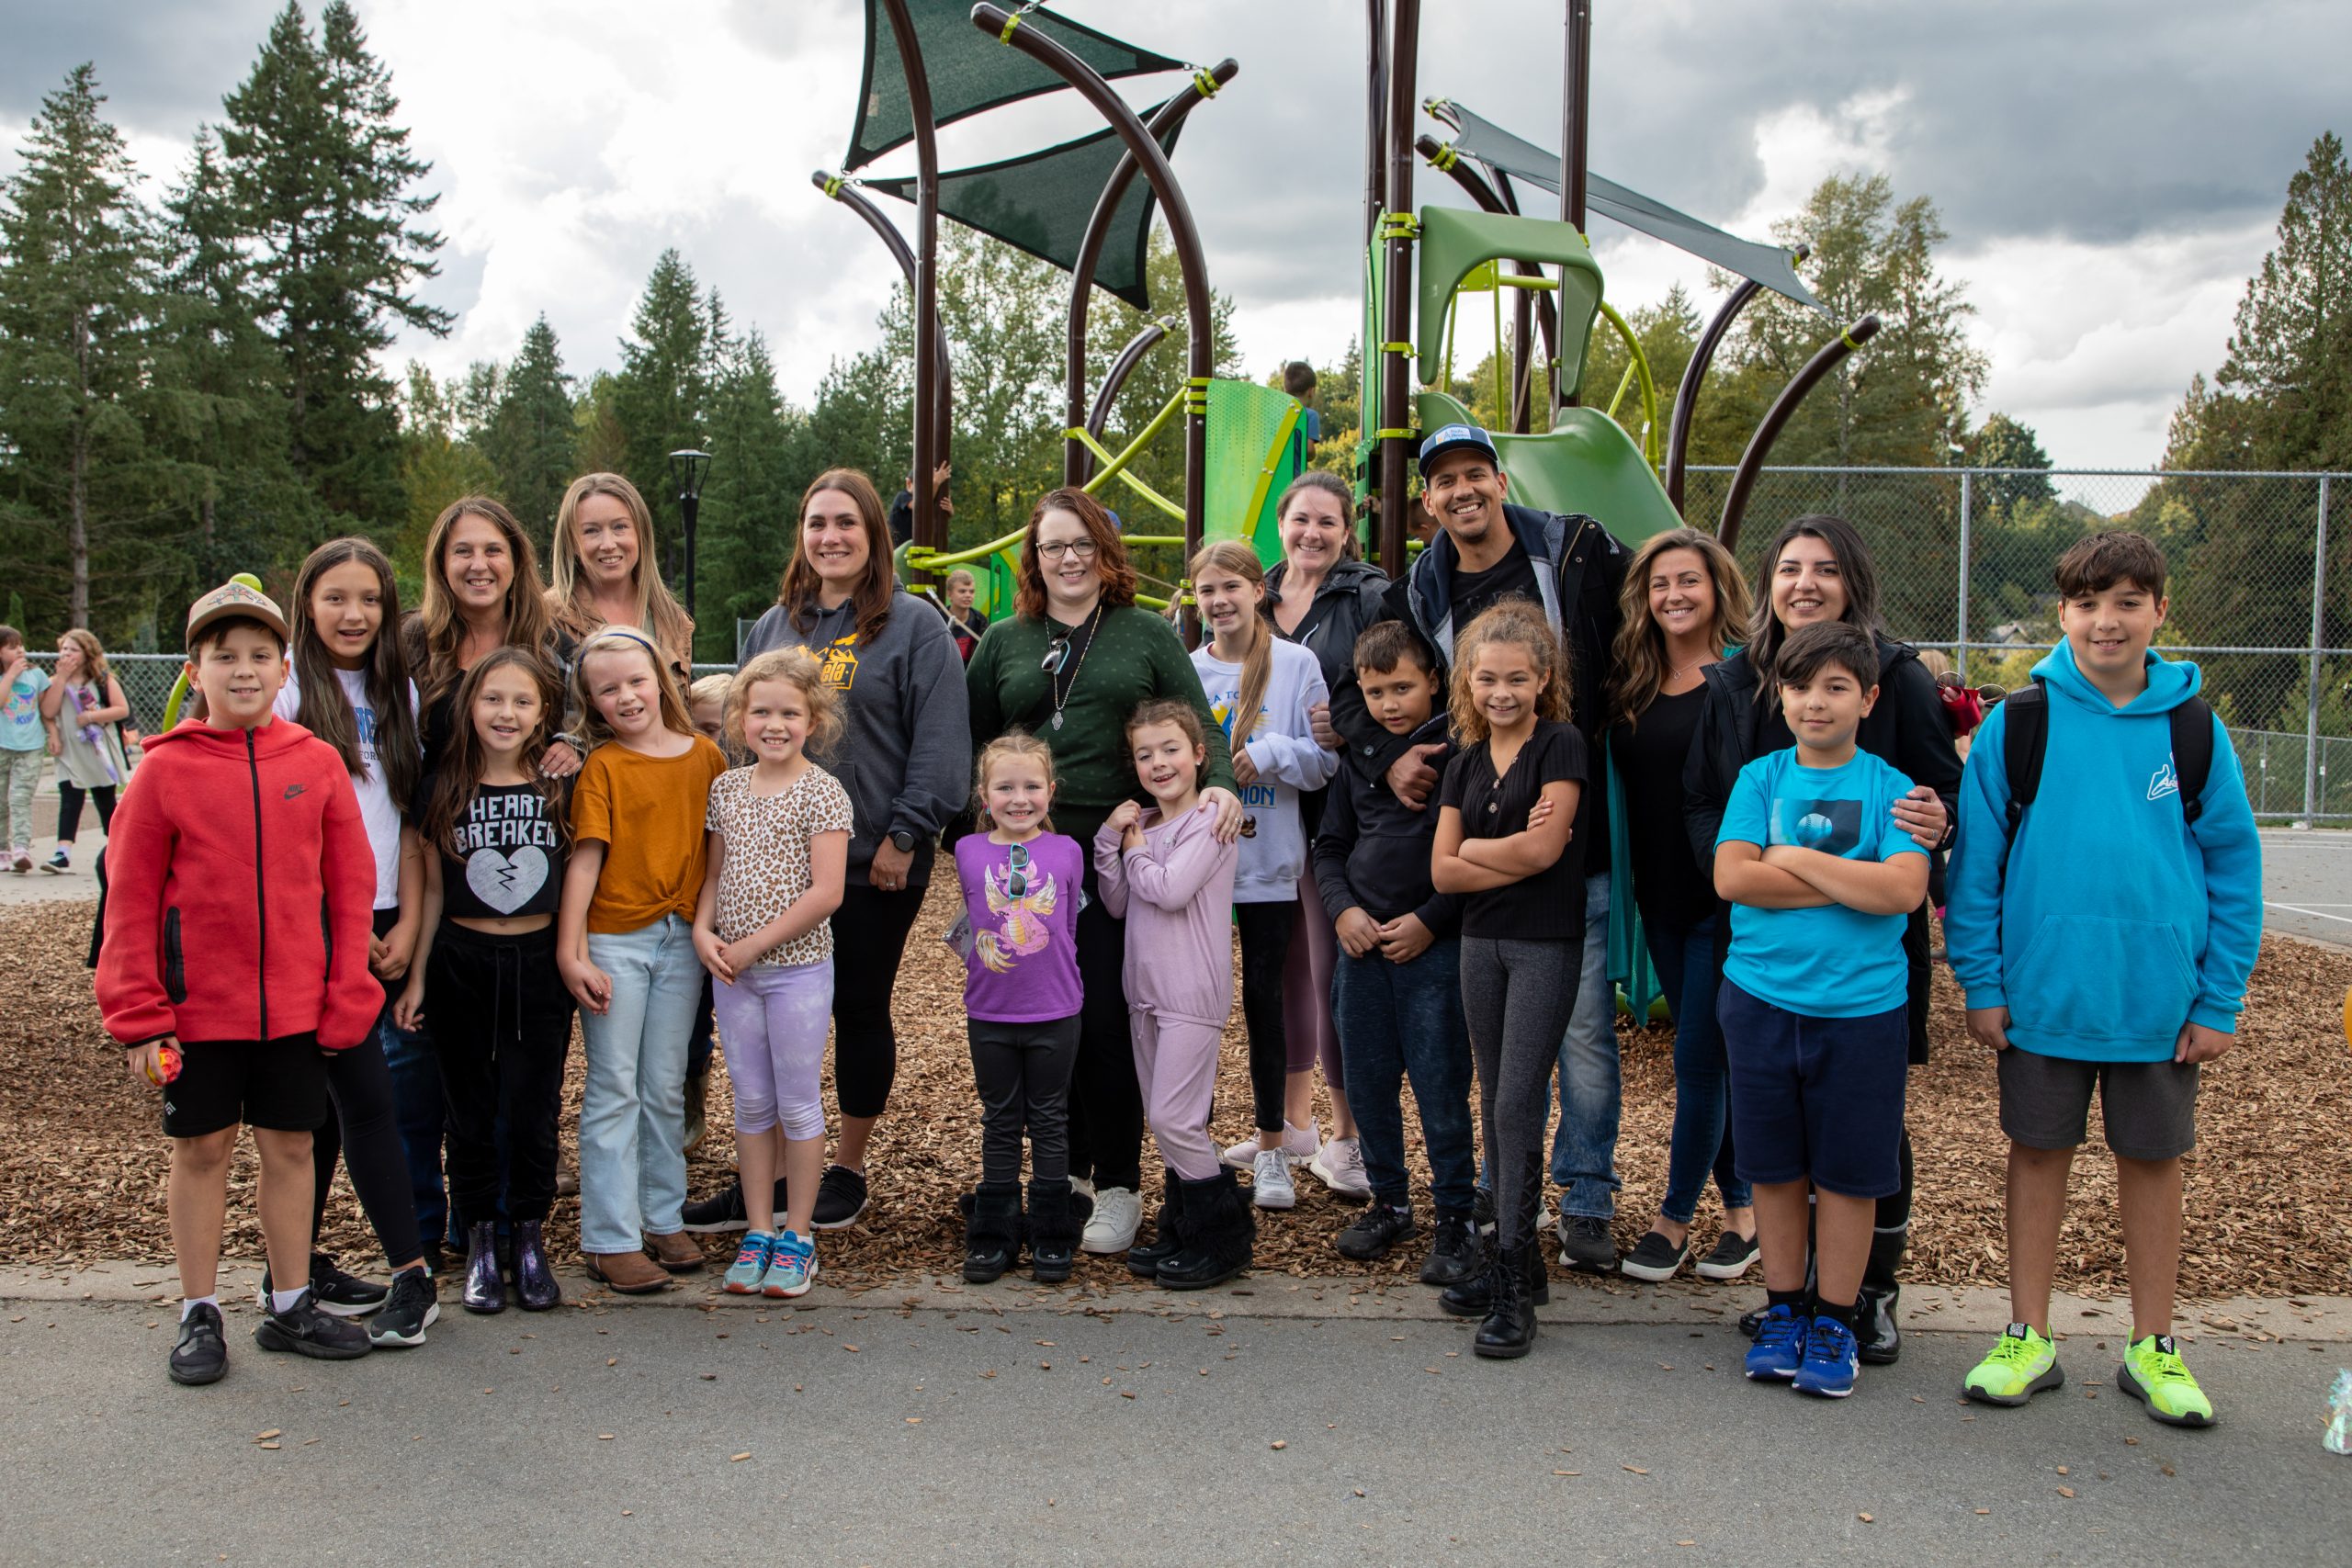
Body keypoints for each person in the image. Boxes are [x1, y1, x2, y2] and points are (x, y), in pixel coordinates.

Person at [1947, 532, 2260, 1427]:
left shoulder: (2193, 731)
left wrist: (2217, 995)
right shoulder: (2021, 723)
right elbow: (1976, 873)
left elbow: (2234, 870)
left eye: (2126, 601)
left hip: (2158, 1007)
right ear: (2062, 614)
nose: (2105, 620)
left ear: (2159, 611)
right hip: (2044, 999)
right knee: (2037, 1154)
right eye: (2086, 603)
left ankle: (2153, 1346)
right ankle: (2026, 1335)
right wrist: (1981, 983)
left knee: (2152, 1164)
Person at [1328, 424, 1629, 1271]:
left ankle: (1588, 1196)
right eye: (1443, 481)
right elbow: (1363, 686)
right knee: (1499, 1047)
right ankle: (1508, 1198)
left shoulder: (1572, 546)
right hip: (1482, 825)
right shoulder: (1423, 587)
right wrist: (1388, 757)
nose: (1461, 491)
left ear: (1500, 480)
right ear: (1427, 500)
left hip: (1573, 833)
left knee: (1580, 1034)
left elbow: (1663, 597)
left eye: (1473, 475)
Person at [1684, 513, 1960, 1361]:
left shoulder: (1900, 682)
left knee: (1861, 1142)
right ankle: (1790, 1303)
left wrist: (1796, 860)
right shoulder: (1736, 688)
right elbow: (1721, 841)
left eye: (1826, 568)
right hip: (1765, 965)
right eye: (1790, 568)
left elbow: (1922, 836)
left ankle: (1860, 1299)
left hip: (1865, 977)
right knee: (1777, 1143)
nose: (1806, 582)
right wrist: (1835, 882)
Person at [96, 582, 380, 1383]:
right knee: (202, 1149)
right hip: (196, 1016)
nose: (244, 670)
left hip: (294, 1010)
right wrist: (141, 1017)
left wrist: (346, 986)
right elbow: (129, 903)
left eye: (260, 655)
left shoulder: (316, 762)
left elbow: (350, 887)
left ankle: (290, 1303)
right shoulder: (163, 774)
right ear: (196, 669)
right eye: (225, 657)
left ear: (284, 666)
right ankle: (199, 1311)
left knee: (292, 1146)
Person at [965, 487, 1242, 1257]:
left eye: (1083, 542)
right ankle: (1067, 1177)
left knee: (1111, 1023)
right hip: (1030, 852)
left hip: (1119, 843)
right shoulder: (1004, 640)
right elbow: (977, 744)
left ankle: (1120, 1181)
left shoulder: (1145, 634)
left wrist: (1217, 781)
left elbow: (1198, 726)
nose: (1069, 558)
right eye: (1054, 546)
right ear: (1035, 558)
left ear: (1105, 551)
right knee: (1045, 1019)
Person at [708, 469, 968, 1235]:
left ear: (872, 535)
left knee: (855, 1006)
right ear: (803, 533)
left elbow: (943, 740)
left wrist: (906, 833)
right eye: (817, 521)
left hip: (870, 859)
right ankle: (772, 1172)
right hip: (772, 859)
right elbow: (740, 731)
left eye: (847, 523)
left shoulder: (913, 625)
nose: (831, 536)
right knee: (767, 1017)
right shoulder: (773, 627)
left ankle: (844, 1170)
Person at [1713, 620, 1929, 1401]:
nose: (1817, 701)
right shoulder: (1761, 780)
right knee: (1772, 1168)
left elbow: (1903, 892)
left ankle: (1835, 1319)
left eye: (1837, 687)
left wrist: (1796, 859)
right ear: (1781, 694)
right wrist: (1850, 874)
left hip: (1862, 1013)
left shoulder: (1894, 789)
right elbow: (1733, 877)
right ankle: (1782, 1311)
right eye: (1802, 686)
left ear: (1868, 698)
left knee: (1848, 1174)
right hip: (1763, 1000)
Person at [403, 497, 582, 1263]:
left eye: (493, 549)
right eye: (461, 550)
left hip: (539, 952)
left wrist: (572, 736)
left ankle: (525, 1232)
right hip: (454, 941)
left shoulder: (554, 643)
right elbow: (428, 861)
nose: (478, 564)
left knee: (532, 1100)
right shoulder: (414, 645)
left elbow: (584, 849)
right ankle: (464, 1229)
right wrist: (414, 959)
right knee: (456, 1098)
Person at [272, 539, 438, 1343]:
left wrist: (405, 918)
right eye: (336, 597)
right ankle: (412, 1271)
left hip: (377, 915)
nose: (354, 614)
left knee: (335, 1107)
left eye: (369, 599)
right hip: (312, 920)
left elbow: (405, 815)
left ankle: (292, 1268)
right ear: (307, 602)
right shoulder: (287, 688)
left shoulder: (393, 686)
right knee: (354, 1096)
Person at [1430, 603, 1588, 1359]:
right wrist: (1513, 847)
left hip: (1542, 943)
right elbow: (1440, 870)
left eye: (1516, 678)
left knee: (1521, 1097)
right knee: (1493, 1096)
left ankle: (1514, 1287)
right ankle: (1514, 1254)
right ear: (1468, 681)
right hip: (1480, 942)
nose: (1501, 691)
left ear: (1543, 678)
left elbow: (1546, 856)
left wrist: (1492, 855)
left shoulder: (1561, 745)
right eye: (1487, 678)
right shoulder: (1463, 759)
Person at [1606, 529, 1759, 1286]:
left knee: (1699, 1058)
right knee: (1711, 1058)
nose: (1674, 595)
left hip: (1724, 901)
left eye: (1689, 581)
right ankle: (1742, 1209)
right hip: (1659, 897)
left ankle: (1672, 1219)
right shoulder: (1631, 681)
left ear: (1716, 588)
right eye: (1661, 582)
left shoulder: (1746, 682)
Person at [558, 627, 729, 1293]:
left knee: (663, 1084)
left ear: (661, 679)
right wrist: (571, 951)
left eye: (636, 680)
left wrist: (705, 926)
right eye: (608, 689)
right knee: (613, 1087)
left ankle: (661, 1215)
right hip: (614, 939)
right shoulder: (604, 767)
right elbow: (586, 857)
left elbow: (717, 854)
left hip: (680, 937)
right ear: (593, 703)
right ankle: (608, 1235)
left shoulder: (706, 757)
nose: (626, 696)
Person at [1311, 622, 1478, 1285]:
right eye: (1375, 691)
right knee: (1369, 1081)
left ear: (1434, 679)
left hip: (1432, 950)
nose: (1388, 704)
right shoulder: (1362, 760)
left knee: (1441, 1088)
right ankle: (1390, 1198)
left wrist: (1433, 920)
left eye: (1402, 687)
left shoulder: (1462, 753)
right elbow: (1328, 846)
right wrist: (1343, 911)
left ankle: (1457, 1215)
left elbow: (1472, 857)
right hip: (1363, 948)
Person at [1248, 469, 1389, 1198]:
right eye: (1300, 520)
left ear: (1345, 530)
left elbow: (1399, 686)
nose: (1312, 534)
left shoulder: (1367, 594)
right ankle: (1293, 1122)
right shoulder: (1256, 592)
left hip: (1338, 803)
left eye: (1326, 523)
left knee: (1330, 963)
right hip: (1269, 803)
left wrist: (1351, 722)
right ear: (1282, 522)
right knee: (1283, 965)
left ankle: (1348, 1135)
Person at [697, 649, 854, 1301]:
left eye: (790, 711)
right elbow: (712, 874)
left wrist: (754, 943)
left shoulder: (822, 791)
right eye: (761, 710)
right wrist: (704, 930)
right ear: (739, 717)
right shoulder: (726, 789)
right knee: (751, 1100)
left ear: (813, 719)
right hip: (731, 971)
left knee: (795, 1101)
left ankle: (798, 1233)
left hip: (794, 970)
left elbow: (827, 892)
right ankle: (757, 1228)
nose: (775, 723)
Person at [1187, 541, 1337, 1211]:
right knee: (1198, 1006)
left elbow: (1323, 764)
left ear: (1258, 590)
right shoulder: (1187, 670)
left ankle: (1273, 1147)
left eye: (1230, 588)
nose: (1219, 602)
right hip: (1202, 868)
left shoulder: (1298, 664)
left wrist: (1269, 753)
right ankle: (1191, 1148)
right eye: (1206, 591)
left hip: (1272, 864)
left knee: (1264, 1002)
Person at [1094, 700, 1246, 1289]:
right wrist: (1112, 839)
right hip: (1147, 993)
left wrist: (1130, 848)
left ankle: (1223, 1239)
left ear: (1199, 754)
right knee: (1170, 1121)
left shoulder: (1212, 820)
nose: (1159, 763)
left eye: (1171, 749)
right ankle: (1184, 1228)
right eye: (1145, 754)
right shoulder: (1148, 826)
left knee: (1174, 1118)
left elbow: (1171, 887)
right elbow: (1118, 900)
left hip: (1191, 991)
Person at [955, 733, 1088, 1283]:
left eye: (1032, 786)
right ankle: (995, 1231)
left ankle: (1053, 1231)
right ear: (984, 795)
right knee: (1001, 1121)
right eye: (1004, 787)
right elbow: (968, 926)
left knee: (1052, 1119)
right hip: (989, 1012)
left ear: (1051, 792)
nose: (1019, 798)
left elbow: (1070, 929)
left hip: (1055, 1011)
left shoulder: (1067, 851)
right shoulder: (968, 850)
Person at [547, 472, 696, 678]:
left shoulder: (673, 620)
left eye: (620, 527)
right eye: (591, 531)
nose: (608, 544)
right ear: (571, 542)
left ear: (641, 534)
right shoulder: (548, 617)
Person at [682, 672, 736, 1153]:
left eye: (717, 730)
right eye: (699, 727)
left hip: (734, 923)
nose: (708, 740)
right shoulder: (684, 776)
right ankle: (685, 1113)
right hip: (687, 914)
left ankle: (694, 1104)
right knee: (691, 1015)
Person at [38, 629, 130, 874]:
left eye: (73, 650)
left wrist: (91, 716)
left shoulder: (103, 680)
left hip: (98, 751)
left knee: (105, 801)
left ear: (86, 653)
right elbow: (48, 711)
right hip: (70, 751)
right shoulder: (54, 681)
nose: (66, 654)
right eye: (64, 649)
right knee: (70, 798)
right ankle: (62, 852)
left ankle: (119, 847)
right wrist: (60, 678)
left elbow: (122, 709)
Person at [0, 626, 50, 873]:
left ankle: (21, 848)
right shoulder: (5, 677)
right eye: (11, 647)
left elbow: (46, 710)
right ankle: (2, 850)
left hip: (30, 746)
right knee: (0, 802)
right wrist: (10, 676)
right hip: (2, 746)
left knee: (20, 798)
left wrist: (55, 734)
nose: (19, 650)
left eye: (21, 645)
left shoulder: (36, 675)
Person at [888, 461, 955, 550]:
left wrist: (949, 511)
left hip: (917, 549)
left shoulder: (930, 501)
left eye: (930, 485)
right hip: (896, 550)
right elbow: (920, 508)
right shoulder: (902, 496)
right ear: (909, 484)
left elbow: (935, 517)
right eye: (923, 485)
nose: (927, 489)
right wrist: (937, 482)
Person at [943, 569, 990, 662]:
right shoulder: (939, 618)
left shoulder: (980, 620)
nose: (968, 595)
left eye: (971, 591)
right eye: (962, 591)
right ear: (949, 593)